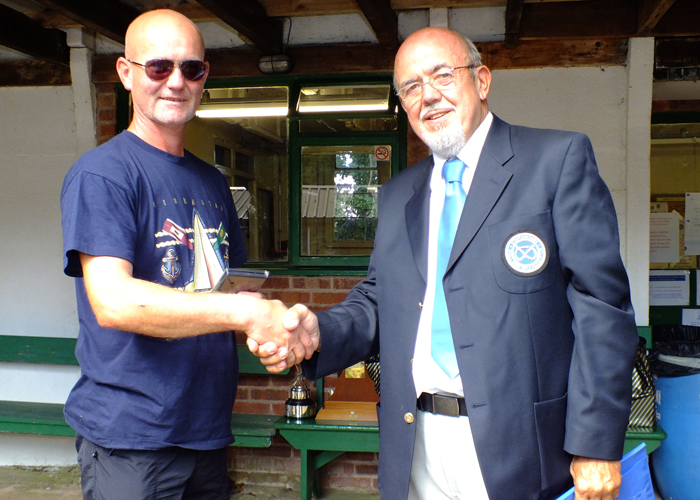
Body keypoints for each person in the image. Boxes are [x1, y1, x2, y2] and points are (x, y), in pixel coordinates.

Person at [254, 27, 639, 500]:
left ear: (481, 80)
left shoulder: (554, 162)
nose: (429, 96)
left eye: (442, 75)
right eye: (411, 87)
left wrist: (596, 442)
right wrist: (319, 332)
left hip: (522, 445)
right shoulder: (398, 197)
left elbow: (602, 306)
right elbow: (379, 300)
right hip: (416, 444)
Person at [60, 9, 309, 500]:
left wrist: (277, 328)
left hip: (207, 429)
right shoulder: (104, 174)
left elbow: (232, 286)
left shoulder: (213, 181)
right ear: (126, 73)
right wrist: (242, 311)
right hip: (132, 439)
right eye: (159, 67)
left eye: (191, 69)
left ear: (203, 78)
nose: (176, 81)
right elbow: (114, 301)